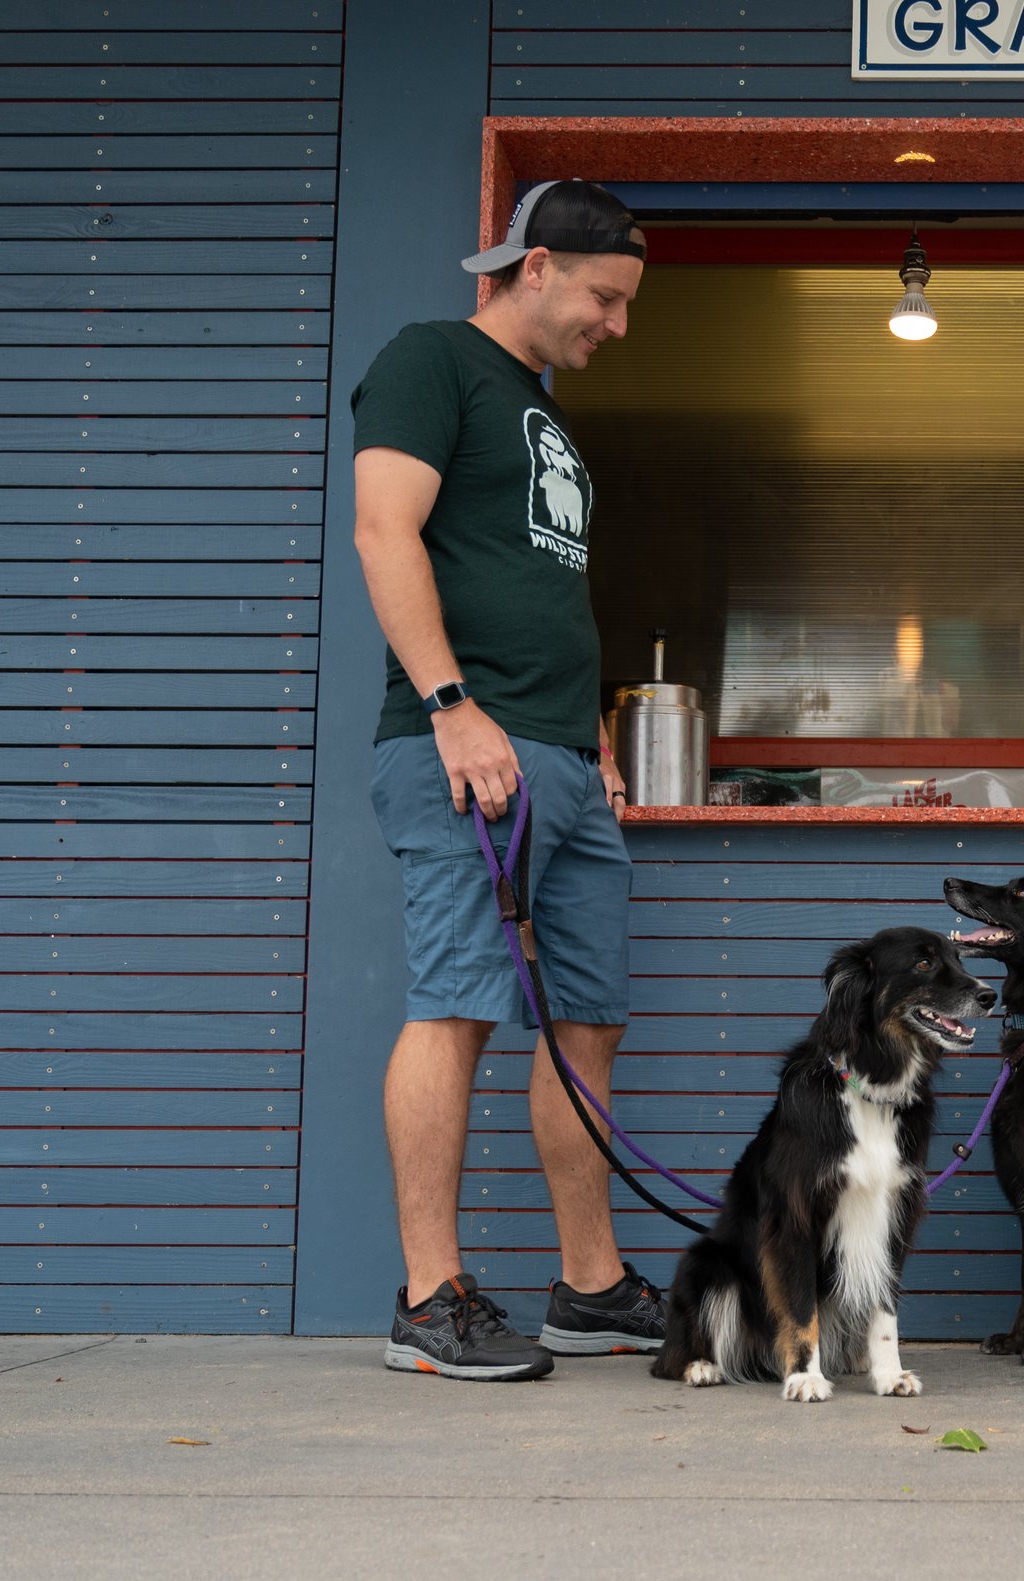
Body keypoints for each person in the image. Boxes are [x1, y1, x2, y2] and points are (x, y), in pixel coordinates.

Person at [352, 180, 657, 1380]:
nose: (616, 326)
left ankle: (587, 1287)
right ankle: (428, 1298)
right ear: (535, 267)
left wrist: (590, 736)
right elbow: (386, 531)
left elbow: (540, 590)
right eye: (605, 297)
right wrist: (450, 705)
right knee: (457, 1005)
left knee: (589, 1018)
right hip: (466, 750)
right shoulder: (431, 361)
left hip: (562, 763)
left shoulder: (546, 415)